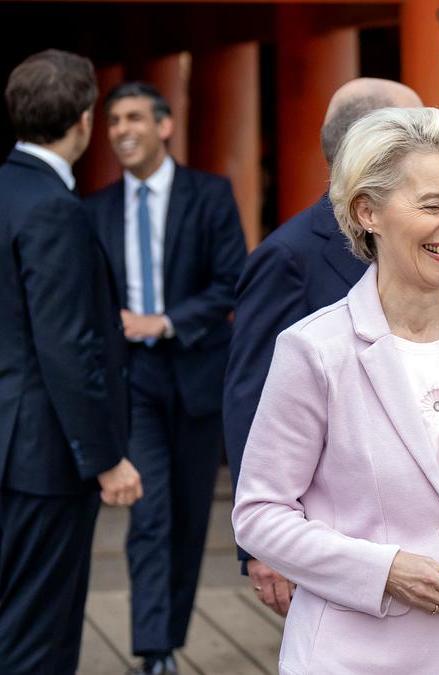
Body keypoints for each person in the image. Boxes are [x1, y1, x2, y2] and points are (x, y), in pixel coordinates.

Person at [232, 106, 439, 674]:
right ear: (367, 211)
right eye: (433, 205)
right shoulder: (315, 348)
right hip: (356, 656)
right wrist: (384, 571)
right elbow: (259, 514)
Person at [223, 77, 421, 616]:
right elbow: (251, 402)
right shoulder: (288, 256)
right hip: (332, 533)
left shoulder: (422, 242)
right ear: (371, 148)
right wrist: (262, 546)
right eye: (416, 132)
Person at [86, 81, 247, 675]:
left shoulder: (209, 195)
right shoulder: (93, 210)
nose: (121, 129)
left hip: (198, 372)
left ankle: (171, 635)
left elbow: (233, 279)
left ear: (164, 125)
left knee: (186, 519)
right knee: (150, 514)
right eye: (112, 120)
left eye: (133, 117)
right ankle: (154, 650)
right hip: (133, 381)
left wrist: (168, 320)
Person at [0, 49, 142, 675]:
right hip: (42, 455)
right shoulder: (55, 207)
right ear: (85, 119)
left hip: (9, 441)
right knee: (38, 633)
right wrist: (107, 458)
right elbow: (66, 344)